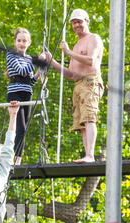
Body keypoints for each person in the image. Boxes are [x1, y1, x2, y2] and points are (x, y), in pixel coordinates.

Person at [44, 8, 104, 163]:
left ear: (87, 21)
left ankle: (90, 155)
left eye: (79, 21)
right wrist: (52, 62)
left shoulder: (93, 38)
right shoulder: (77, 45)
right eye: (74, 23)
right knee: (81, 121)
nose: (76, 25)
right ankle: (87, 154)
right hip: (78, 85)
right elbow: (70, 74)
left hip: (90, 81)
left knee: (89, 116)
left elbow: (91, 60)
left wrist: (68, 52)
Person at [6, 27, 41, 165]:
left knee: (24, 128)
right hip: (15, 93)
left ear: (29, 43)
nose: (21, 43)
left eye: (24, 41)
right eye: (19, 40)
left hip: (27, 94)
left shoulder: (29, 59)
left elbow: (31, 82)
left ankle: (18, 158)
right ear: (15, 42)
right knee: (18, 126)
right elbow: (21, 71)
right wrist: (36, 62)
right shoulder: (11, 55)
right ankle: (13, 157)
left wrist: (39, 71)